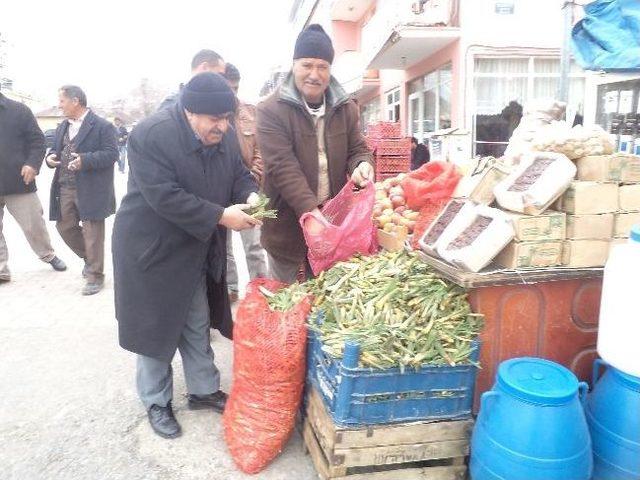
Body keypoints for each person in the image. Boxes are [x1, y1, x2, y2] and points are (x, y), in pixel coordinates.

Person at [112, 73, 260, 439]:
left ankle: (203, 389)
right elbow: (164, 195)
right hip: (152, 248)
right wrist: (220, 216)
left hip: (194, 244)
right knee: (156, 329)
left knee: (196, 320)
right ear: (190, 111)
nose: (223, 127)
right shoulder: (151, 134)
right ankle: (156, 401)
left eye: (227, 119)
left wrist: (252, 195)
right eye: (215, 120)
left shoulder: (221, 134)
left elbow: (239, 174)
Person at [256, 24, 374, 283]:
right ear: (294, 65)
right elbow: (282, 167)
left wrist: (362, 164)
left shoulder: (345, 109)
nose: (314, 74)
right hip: (285, 225)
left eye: (322, 67)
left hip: (331, 224)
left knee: (321, 301)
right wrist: (310, 212)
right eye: (307, 65)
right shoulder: (270, 110)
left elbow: (358, 149)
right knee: (282, 299)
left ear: (330, 70)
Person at [45, 85, 117, 295]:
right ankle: (89, 257)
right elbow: (54, 150)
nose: (59, 105)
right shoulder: (62, 126)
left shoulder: (103, 126)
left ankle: (95, 276)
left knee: (93, 233)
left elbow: (112, 154)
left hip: (92, 189)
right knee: (64, 226)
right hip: (65, 186)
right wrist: (50, 158)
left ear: (75, 101)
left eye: (62, 101)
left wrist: (85, 160)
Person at [0, 89, 67, 282]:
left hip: (19, 181)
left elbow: (38, 141)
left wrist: (32, 164)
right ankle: (2, 270)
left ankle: (48, 254)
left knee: (33, 224)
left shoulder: (19, 111)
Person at [223, 63, 268, 301]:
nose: (233, 93)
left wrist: (253, 178)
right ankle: (230, 289)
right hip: (220, 191)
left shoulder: (249, 112)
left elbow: (261, 149)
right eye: (228, 87)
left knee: (255, 245)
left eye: (236, 88)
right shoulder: (214, 114)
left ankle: (260, 290)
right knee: (224, 248)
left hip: (249, 187)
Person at [158, 49, 225, 111]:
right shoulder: (172, 105)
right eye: (220, 74)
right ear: (205, 67)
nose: (222, 79)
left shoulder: (210, 102)